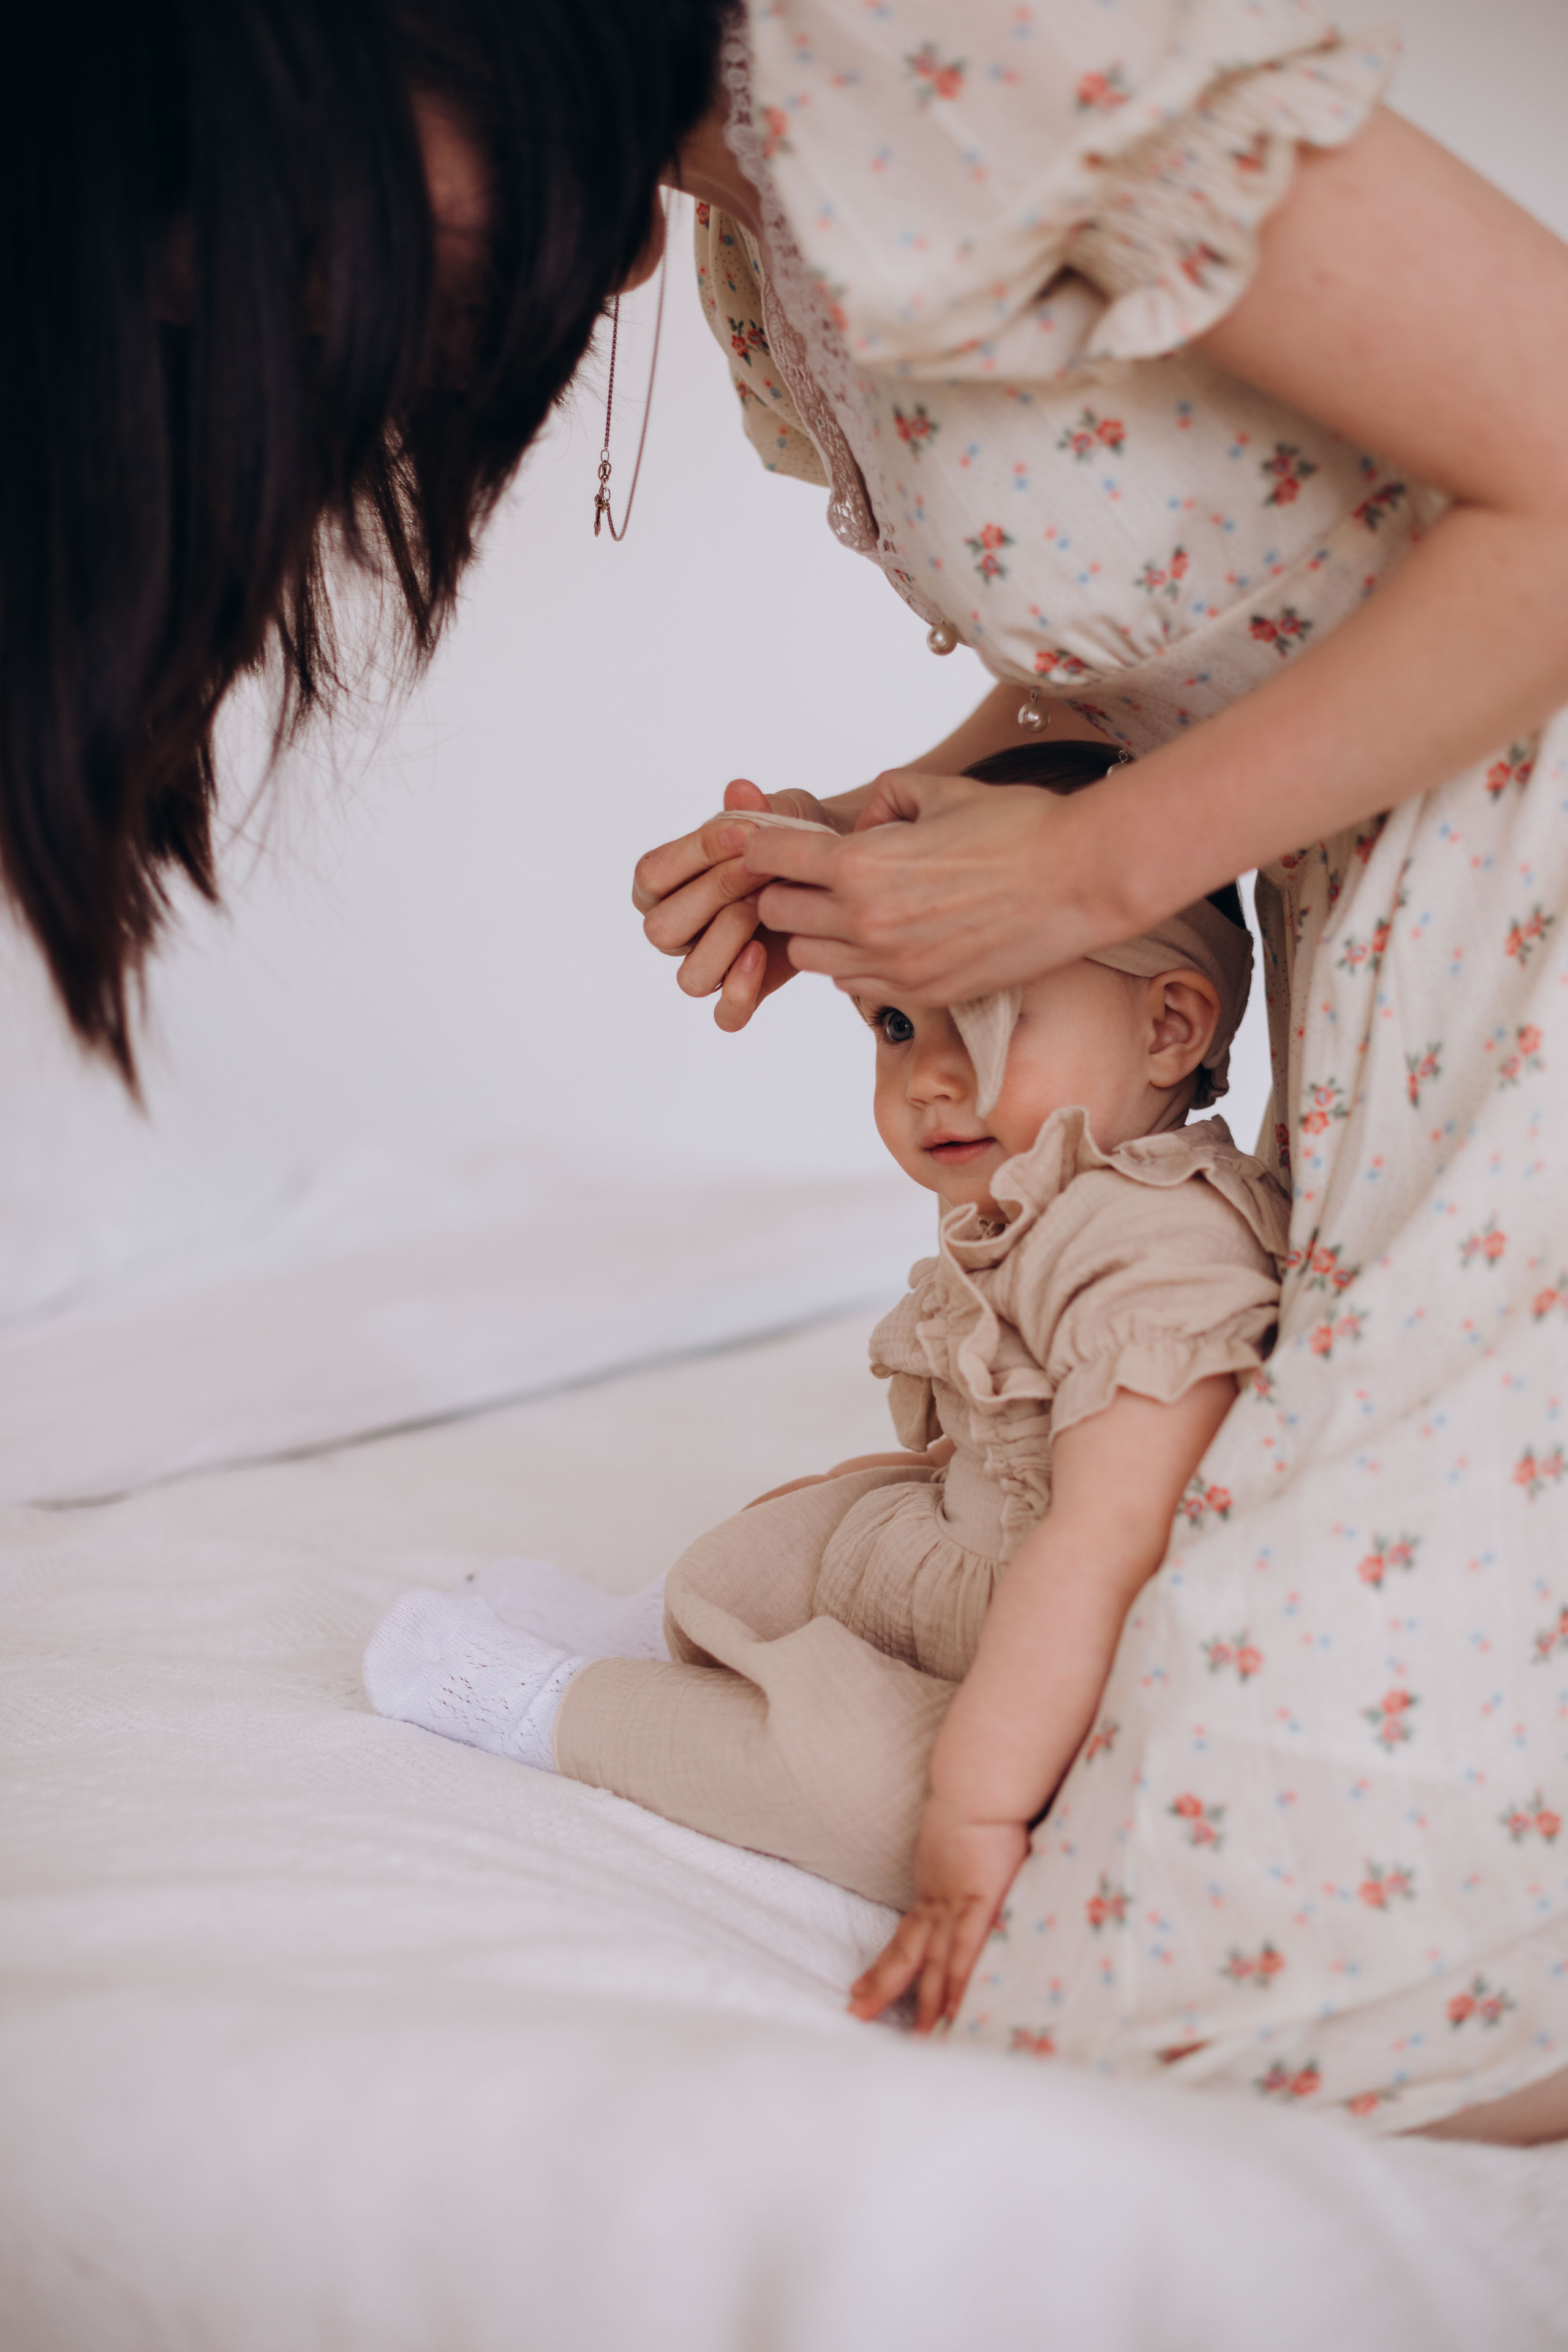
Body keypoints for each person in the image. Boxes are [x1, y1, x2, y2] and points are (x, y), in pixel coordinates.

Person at [11, 0, 1567, 2138]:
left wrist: (1080, 873)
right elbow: (1240, 603)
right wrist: (908, 841)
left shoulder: (909, 38)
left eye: (290, 238)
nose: (338, 323)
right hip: (1416, 938)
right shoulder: (757, 189)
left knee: (1199, 1953)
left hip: (1522, 921)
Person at [364, 739, 1289, 2041]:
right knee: (787, 1536)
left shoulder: (1156, 1249)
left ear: (1170, 1025)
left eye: (987, 1009)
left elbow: (1100, 1547)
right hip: (969, 1559)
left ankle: (545, 1706)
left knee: (861, 1789)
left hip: (1057, 1646)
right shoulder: (1054, 1192)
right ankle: (648, 1627)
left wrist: (975, 1815)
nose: (928, 1077)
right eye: (895, 1025)